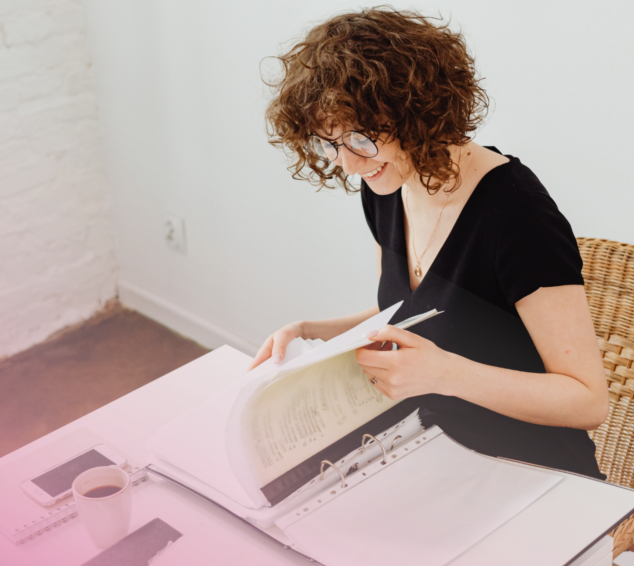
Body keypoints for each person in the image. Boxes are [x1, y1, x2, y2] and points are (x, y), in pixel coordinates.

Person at [252, 7, 608, 479]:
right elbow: (413, 308)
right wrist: (313, 331)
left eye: (360, 138)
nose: (349, 164)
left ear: (416, 112)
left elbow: (588, 401)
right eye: (330, 143)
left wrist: (447, 374)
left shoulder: (516, 212)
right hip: (431, 439)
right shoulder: (387, 185)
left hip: (528, 464)